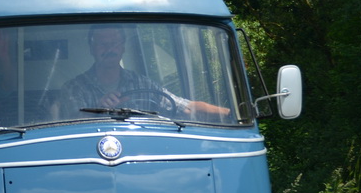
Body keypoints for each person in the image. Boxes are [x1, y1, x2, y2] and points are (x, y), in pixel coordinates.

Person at [59, 24, 232, 121]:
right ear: (92, 48)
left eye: (114, 43)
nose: (109, 48)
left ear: (122, 47)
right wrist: (97, 109)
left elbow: (185, 107)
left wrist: (232, 114)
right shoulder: (74, 87)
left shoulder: (142, 83)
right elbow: (70, 122)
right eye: (102, 44)